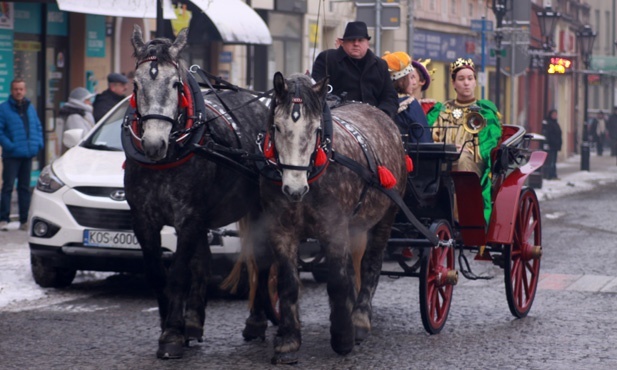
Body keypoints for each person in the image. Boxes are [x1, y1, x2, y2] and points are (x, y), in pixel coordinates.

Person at [427, 58, 502, 224]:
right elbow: (431, 136)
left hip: (473, 158)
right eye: (461, 79)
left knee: (461, 159)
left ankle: (461, 218)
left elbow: (490, 139)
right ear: (453, 83)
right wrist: (447, 147)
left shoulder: (485, 110)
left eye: (470, 78)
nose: (466, 83)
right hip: (444, 156)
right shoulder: (442, 110)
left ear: (475, 82)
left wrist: (468, 148)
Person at [311, 21, 398, 118]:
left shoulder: (380, 65)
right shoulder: (327, 59)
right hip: (337, 120)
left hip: (373, 121)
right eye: (351, 40)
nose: (356, 44)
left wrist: (382, 116)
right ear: (343, 43)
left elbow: (390, 96)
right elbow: (316, 90)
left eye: (360, 40)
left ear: (367, 43)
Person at [0, 78, 44, 231]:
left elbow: (37, 126)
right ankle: (4, 219)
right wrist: (9, 146)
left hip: (27, 154)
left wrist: (38, 144)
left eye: (21, 89)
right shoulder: (4, 109)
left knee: (24, 188)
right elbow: (0, 131)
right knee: (8, 187)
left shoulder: (29, 108)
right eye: (15, 89)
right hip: (11, 155)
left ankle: (24, 220)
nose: (18, 92)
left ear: (25, 90)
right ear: (11, 91)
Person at [381, 51, 432, 143]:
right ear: (402, 80)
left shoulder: (376, 103)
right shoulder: (410, 105)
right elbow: (424, 142)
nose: (413, 82)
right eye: (411, 77)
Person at [58, 87, 96, 153]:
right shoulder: (74, 117)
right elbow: (82, 138)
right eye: (87, 100)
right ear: (81, 101)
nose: (90, 102)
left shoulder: (84, 114)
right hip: (81, 153)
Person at [542, 109, 562, 180]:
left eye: (556, 114)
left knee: (554, 161)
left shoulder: (556, 123)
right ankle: (550, 175)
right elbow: (548, 135)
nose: (555, 116)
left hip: (555, 146)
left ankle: (553, 174)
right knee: (551, 161)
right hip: (551, 145)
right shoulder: (549, 123)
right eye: (553, 114)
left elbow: (559, 134)